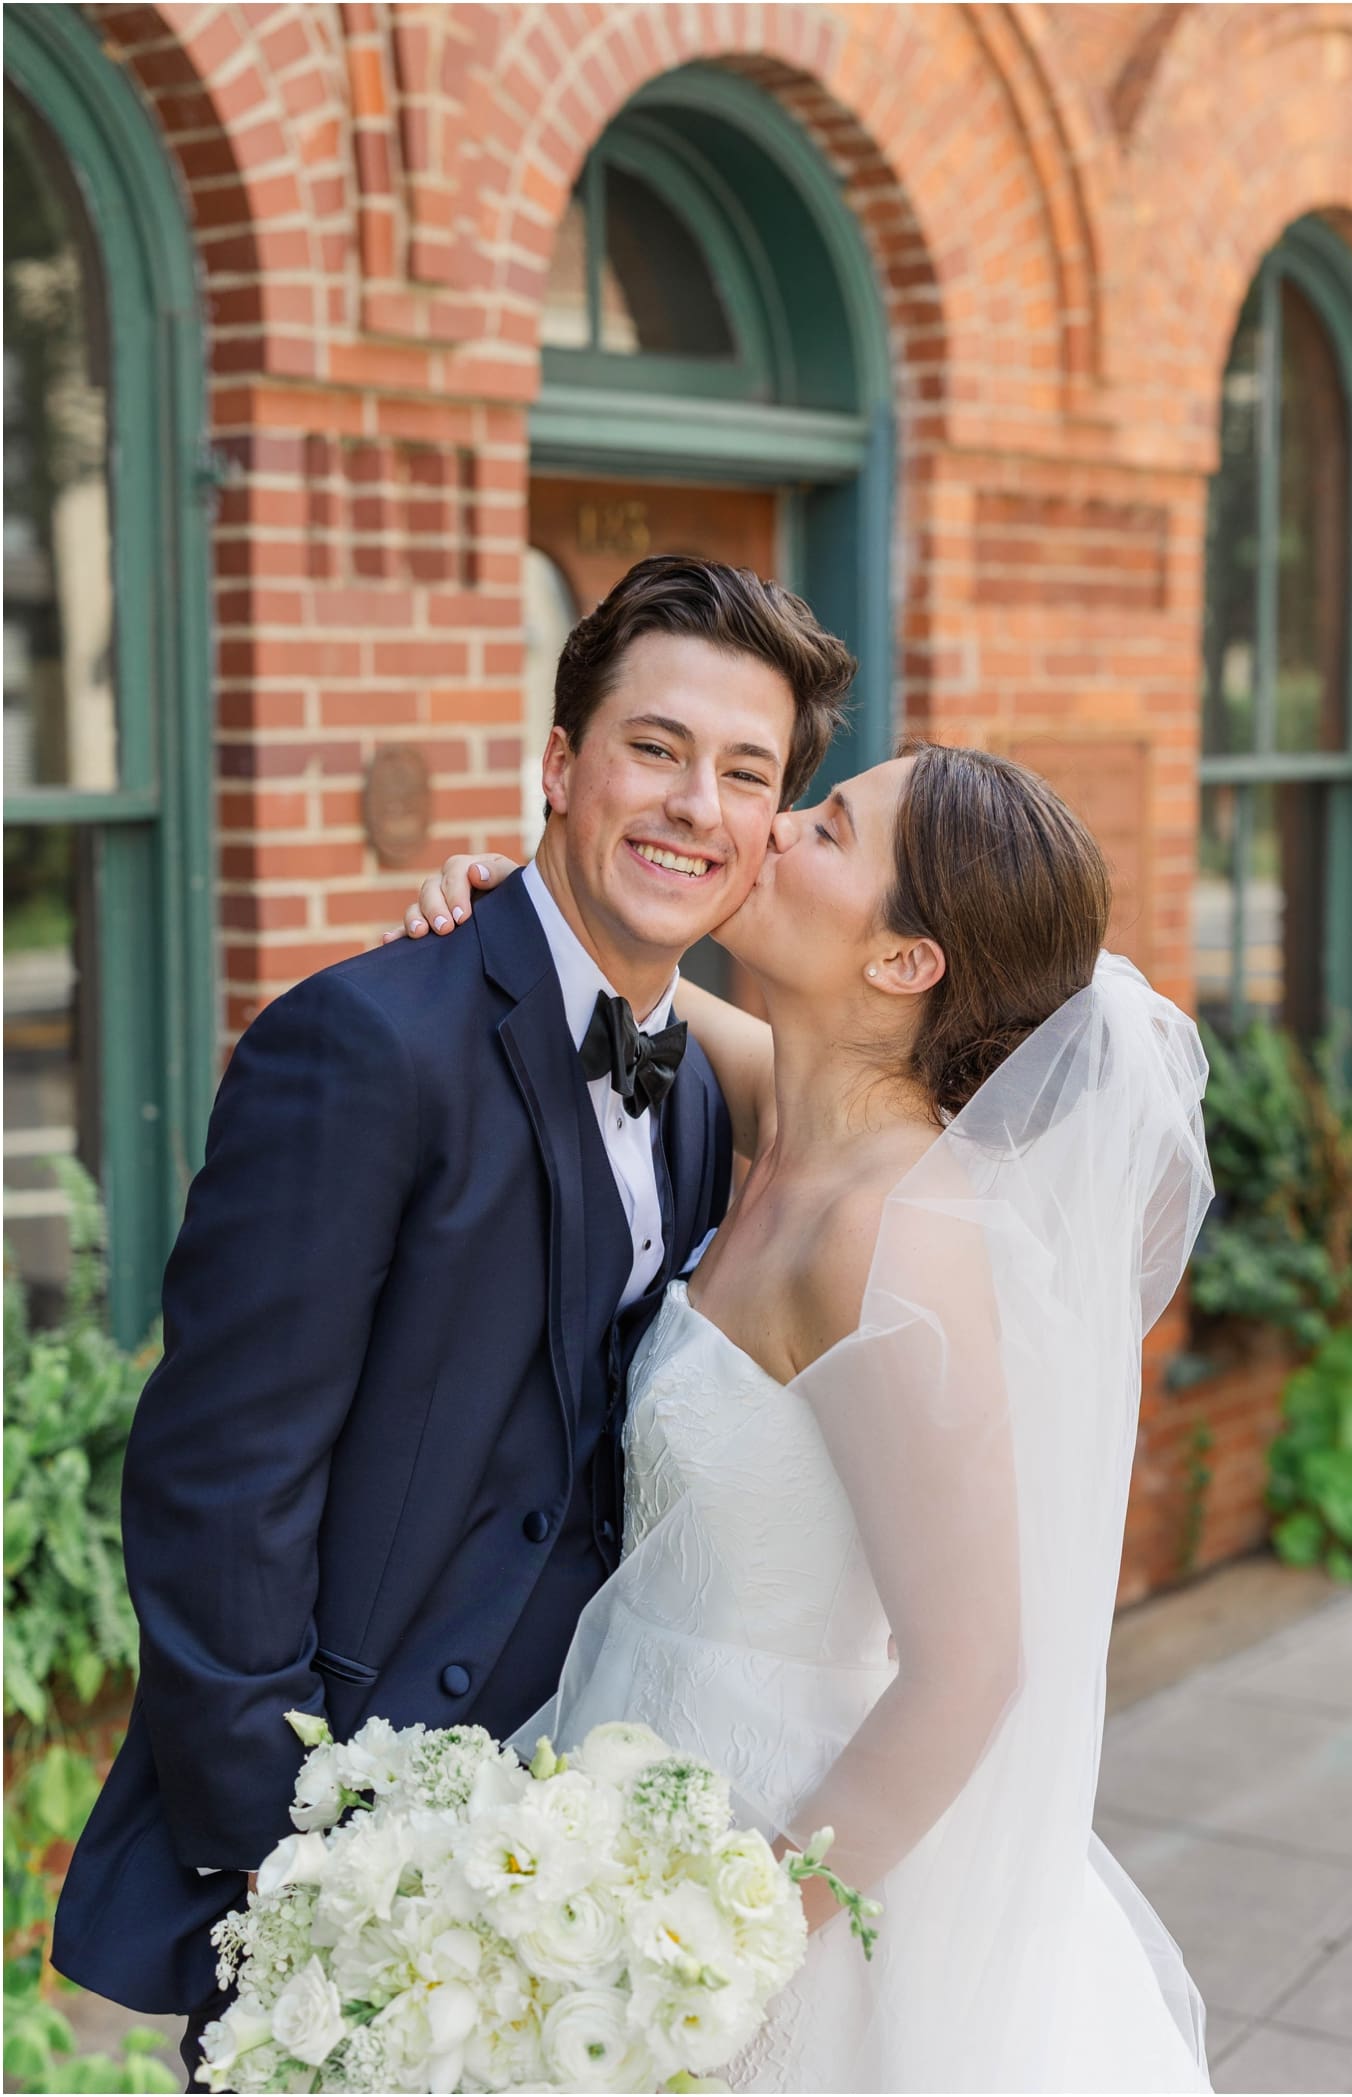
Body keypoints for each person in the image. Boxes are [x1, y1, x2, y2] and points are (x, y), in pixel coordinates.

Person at [50, 556, 855, 2088]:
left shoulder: (706, 1094)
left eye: (745, 774)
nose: (695, 803)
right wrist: (295, 1866)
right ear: (560, 766)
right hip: (349, 1866)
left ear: (766, 839)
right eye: (655, 748)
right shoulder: (364, 1040)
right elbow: (219, 1485)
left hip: (578, 1853)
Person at [396, 741, 1215, 2092]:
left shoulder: (888, 1238)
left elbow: (973, 1670)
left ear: (904, 962)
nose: (770, 828)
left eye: (828, 829)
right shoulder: (796, 1109)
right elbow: (618, 1005)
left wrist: (728, 1949)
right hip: (634, 1742)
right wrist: (513, 915)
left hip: (779, 1841)